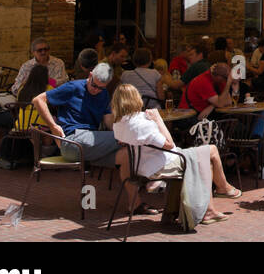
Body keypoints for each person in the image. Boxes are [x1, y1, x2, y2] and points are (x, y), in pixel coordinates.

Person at [111, 83, 240, 227]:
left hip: (140, 166)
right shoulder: (143, 123)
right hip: (162, 164)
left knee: (206, 157)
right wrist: (159, 120)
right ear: (136, 98)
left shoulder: (118, 125)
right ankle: (222, 189)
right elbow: (170, 145)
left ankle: (208, 208)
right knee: (211, 150)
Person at [31, 63, 118, 164]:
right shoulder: (73, 87)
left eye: (101, 88)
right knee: (121, 138)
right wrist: (53, 126)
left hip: (90, 141)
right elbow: (38, 100)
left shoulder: (104, 94)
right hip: (72, 140)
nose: (96, 90)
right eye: (94, 85)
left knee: (126, 150)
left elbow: (108, 120)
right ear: (90, 75)